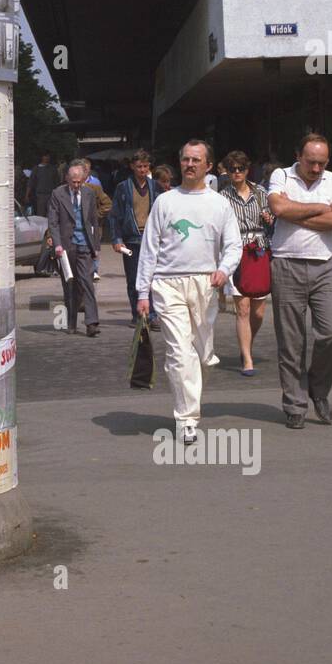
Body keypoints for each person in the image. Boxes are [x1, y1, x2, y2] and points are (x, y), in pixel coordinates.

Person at [136, 140, 242, 445]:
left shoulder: (220, 204)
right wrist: (143, 292)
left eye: (196, 160)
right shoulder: (165, 202)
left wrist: (225, 269)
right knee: (179, 353)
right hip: (167, 284)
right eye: (185, 159)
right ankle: (186, 419)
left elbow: (233, 245)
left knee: (203, 356)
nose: (190, 164)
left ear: (209, 166)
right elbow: (149, 249)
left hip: (206, 284)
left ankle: (190, 400)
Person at [266, 134, 332, 429]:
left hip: (324, 266)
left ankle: (318, 389)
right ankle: (295, 404)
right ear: (298, 156)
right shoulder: (280, 176)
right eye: (311, 162)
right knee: (291, 342)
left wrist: (295, 212)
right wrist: (321, 208)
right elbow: (278, 209)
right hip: (286, 264)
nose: (316, 169)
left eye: (321, 163)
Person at [220, 150, 274, 376]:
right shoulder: (222, 197)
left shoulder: (261, 193)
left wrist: (270, 219)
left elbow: (272, 221)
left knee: (258, 311)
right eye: (232, 169)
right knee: (242, 308)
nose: (236, 173)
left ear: (247, 170)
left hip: (259, 251)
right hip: (235, 251)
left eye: (240, 168)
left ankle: (247, 344)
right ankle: (247, 359)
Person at [48, 158, 101, 336]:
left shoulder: (89, 194)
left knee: (87, 282)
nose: (77, 185)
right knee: (70, 285)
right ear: (67, 179)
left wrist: (96, 246)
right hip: (66, 245)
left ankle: (92, 322)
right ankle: (71, 322)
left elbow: (94, 221)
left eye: (80, 181)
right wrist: (57, 244)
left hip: (85, 243)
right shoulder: (57, 194)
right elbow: (53, 222)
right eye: (74, 182)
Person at [109, 149, 161, 326]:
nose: (142, 170)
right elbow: (115, 215)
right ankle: (137, 314)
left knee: (152, 277)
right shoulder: (123, 187)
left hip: (151, 238)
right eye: (139, 166)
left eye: (146, 166)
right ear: (132, 166)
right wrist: (116, 239)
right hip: (131, 239)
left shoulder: (155, 187)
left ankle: (152, 314)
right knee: (133, 278)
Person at [27, 153, 58, 217]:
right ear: (42, 157)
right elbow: (31, 182)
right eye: (45, 156)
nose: (46, 158)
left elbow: (57, 183)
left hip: (51, 195)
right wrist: (27, 195)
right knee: (40, 214)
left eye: (48, 156)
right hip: (40, 195)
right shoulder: (36, 169)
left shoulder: (53, 169)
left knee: (51, 214)